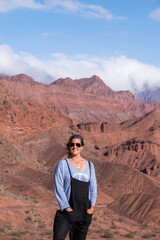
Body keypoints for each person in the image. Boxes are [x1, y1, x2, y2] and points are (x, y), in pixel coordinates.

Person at [53, 134, 97, 240]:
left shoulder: (90, 165)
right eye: (72, 144)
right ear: (69, 146)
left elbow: (93, 188)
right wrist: (67, 208)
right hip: (67, 213)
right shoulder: (63, 164)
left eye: (78, 144)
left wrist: (91, 208)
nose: (75, 147)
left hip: (84, 213)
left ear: (82, 147)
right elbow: (58, 187)